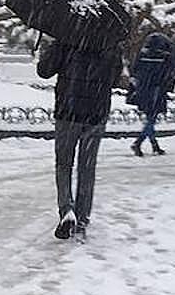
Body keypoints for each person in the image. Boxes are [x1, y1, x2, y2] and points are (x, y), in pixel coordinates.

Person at [37, 36, 122, 242]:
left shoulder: (65, 40)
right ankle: (82, 219)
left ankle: (66, 209)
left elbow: (44, 71)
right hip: (96, 114)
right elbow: (115, 79)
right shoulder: (110, 43)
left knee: (64, 164)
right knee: (87, 167)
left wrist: (51, 47)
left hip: (68, 111)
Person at [129, 32, 173, 156]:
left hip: (144, 89)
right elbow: (169, 74)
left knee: (150, 118)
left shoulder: (142, 54)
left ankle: (154, 145)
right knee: (152, 119)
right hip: (157, 90)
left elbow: (135, 70)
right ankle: (138, 143)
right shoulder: (165, 57)